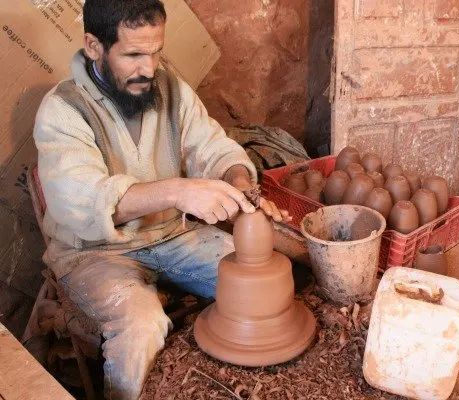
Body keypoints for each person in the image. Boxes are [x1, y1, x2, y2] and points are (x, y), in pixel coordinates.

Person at [33, 0, 289, 398]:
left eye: (156, 52)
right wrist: (179, 190)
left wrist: (238, 180)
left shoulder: (171, 89)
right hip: (95, 251)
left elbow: (212, 147)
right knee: (141, 325)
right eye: (134, 54)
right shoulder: (62, 110)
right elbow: (82, 202)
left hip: (171, 237)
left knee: (261, 281)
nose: (149, 69)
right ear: (94, 46)